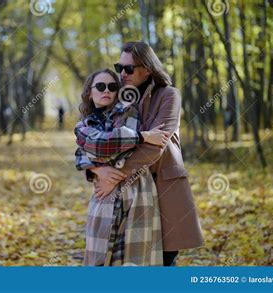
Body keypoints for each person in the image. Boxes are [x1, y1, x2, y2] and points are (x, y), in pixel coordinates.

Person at [90, 42, 204, 266]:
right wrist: (97, 169)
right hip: (125, 195)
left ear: (148, 68)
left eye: (129, 69)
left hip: (163, 188)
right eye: (119, 67)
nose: (122, 73)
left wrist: (115, 174)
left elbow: (155, 146)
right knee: (127, 262)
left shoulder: (169, 96)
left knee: (164, 259)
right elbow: (93, 137)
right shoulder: (117, 97)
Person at [74, 68, 170, 266]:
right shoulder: (82, 125)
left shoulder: (129, 112)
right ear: (89, 93)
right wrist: (98, 169)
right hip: (104, 191)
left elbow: (116, 151)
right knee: (99, 255)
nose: (106, 90)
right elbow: (97, 146)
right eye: (100, 86)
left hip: (135, 188)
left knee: (134, 256)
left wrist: (95, 157)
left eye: (112, 86)